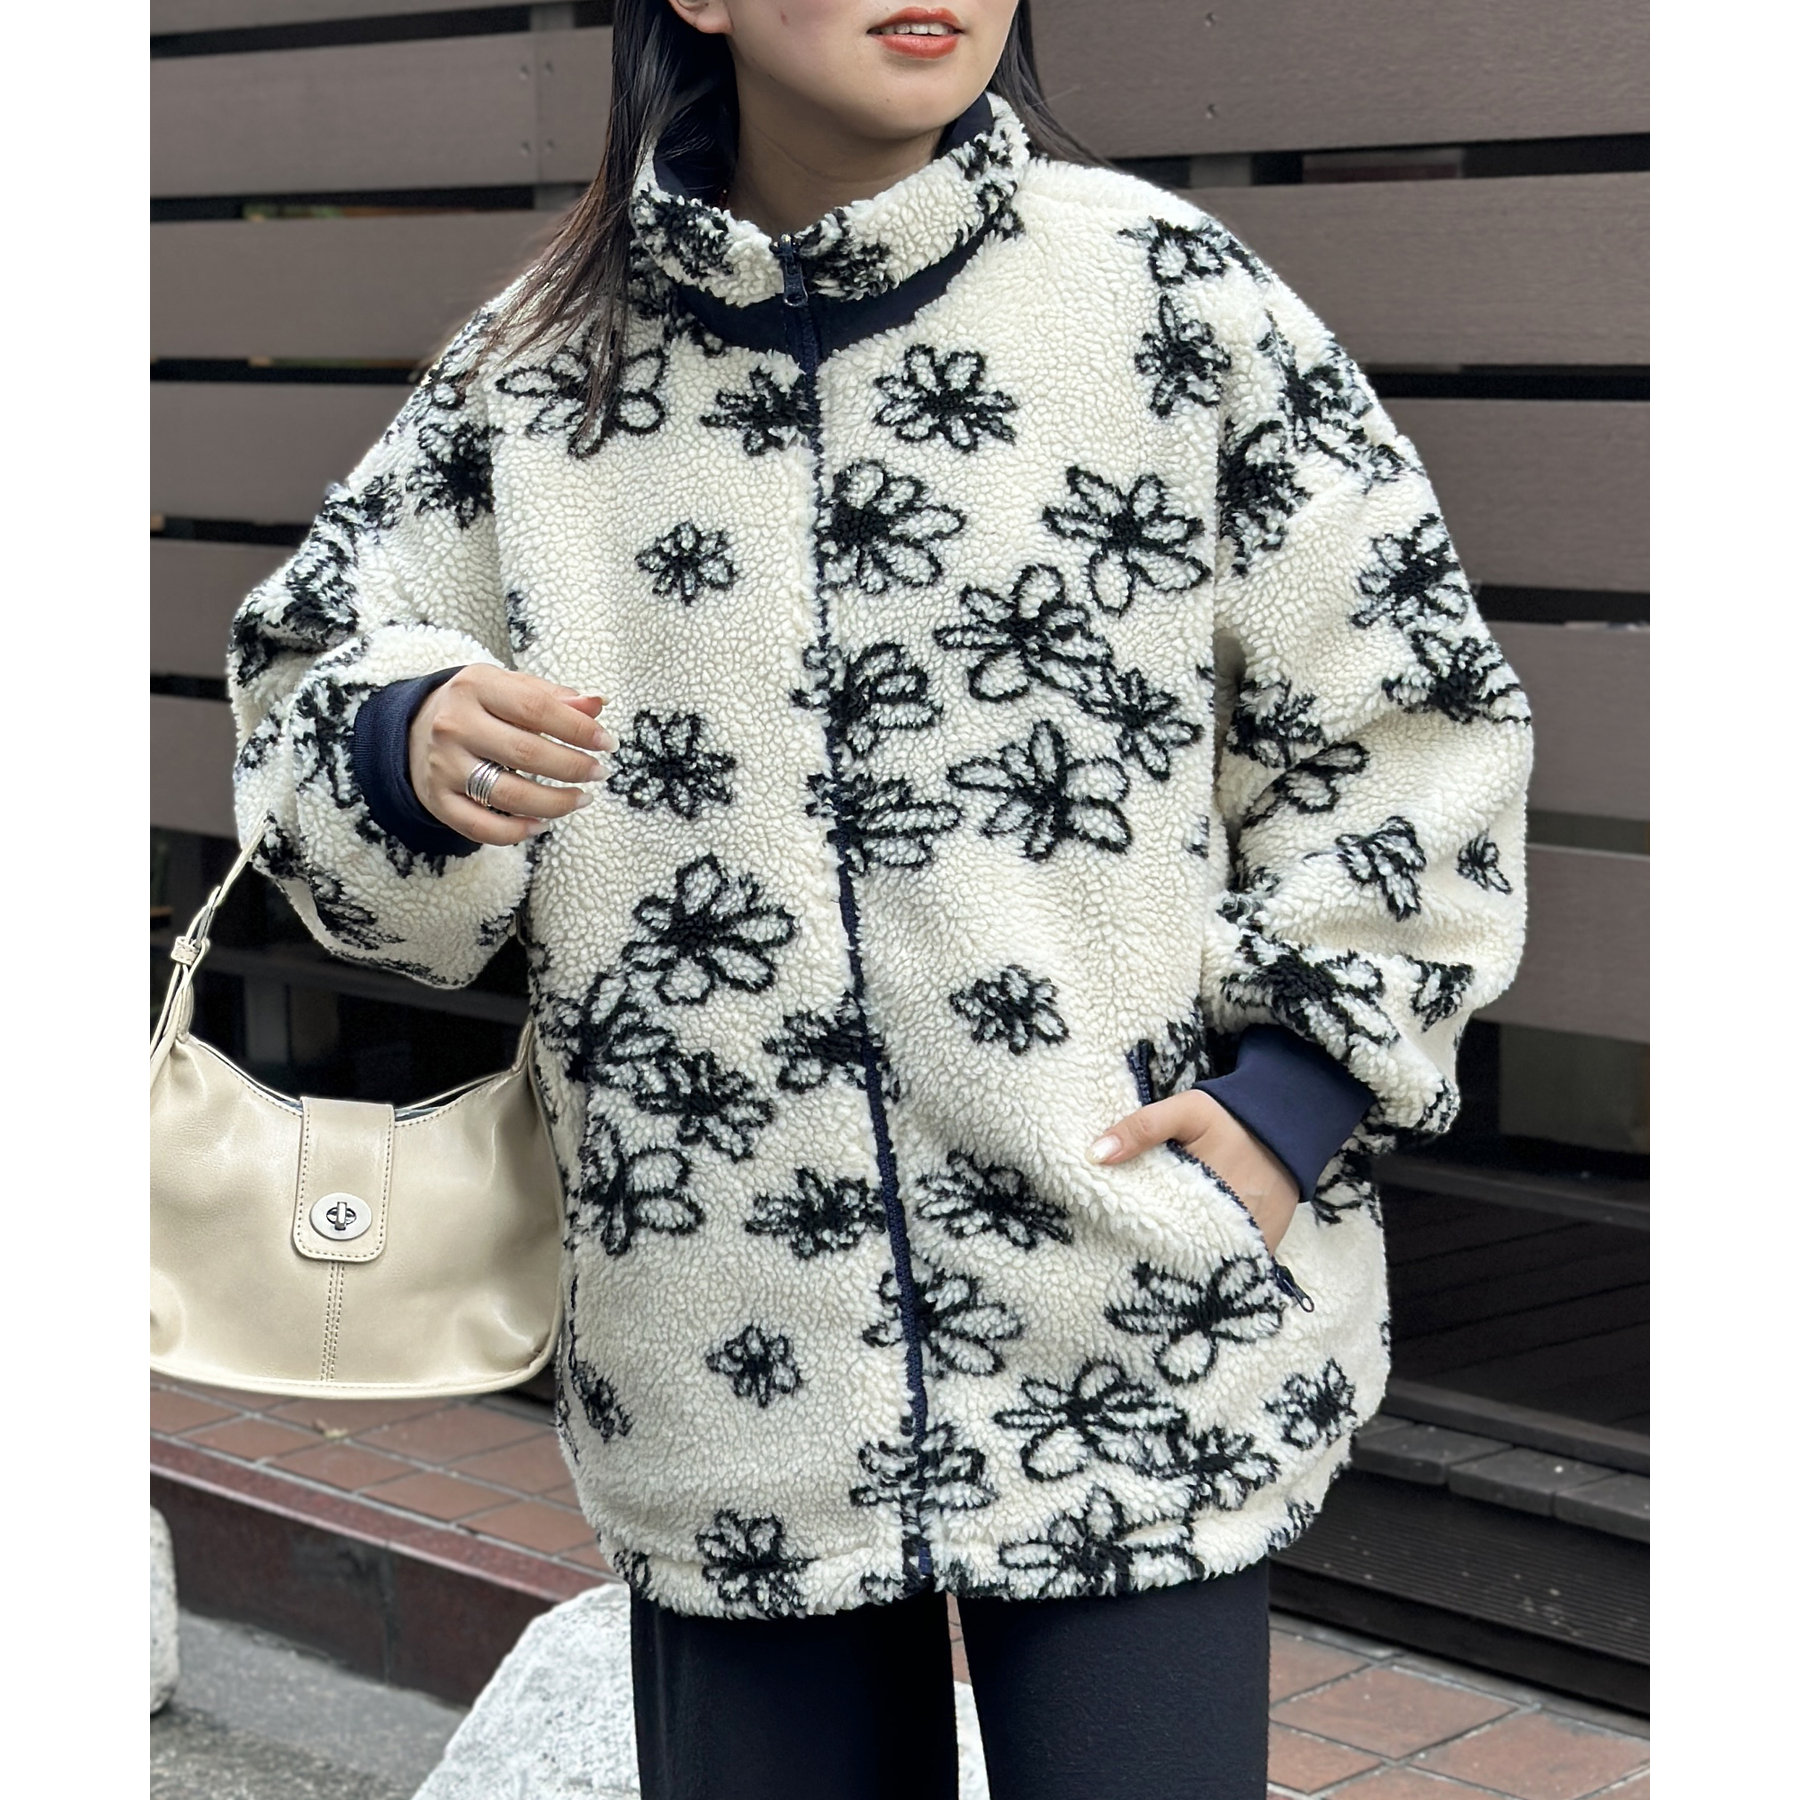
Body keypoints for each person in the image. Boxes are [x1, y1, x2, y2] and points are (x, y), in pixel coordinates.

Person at [224, 2, 1533, 1794]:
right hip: (719, 1331)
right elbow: (309, 686)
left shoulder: (1166, 298)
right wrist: (401, 744)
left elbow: (1408, 720)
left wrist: (1299, 1090)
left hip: (1134, 1305)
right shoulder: (537, 371)